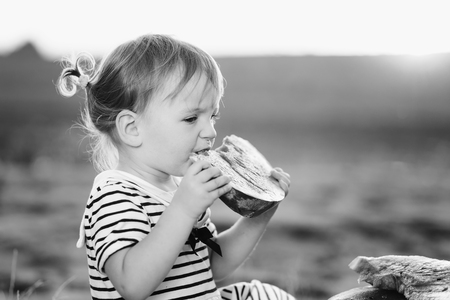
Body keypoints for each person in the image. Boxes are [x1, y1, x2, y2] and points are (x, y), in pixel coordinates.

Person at [57, 34, 293, 300]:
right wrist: (183, 209)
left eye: (212, 115)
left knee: (261, 294)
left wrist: (260, 212)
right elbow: (132, 285)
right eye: (191, 118)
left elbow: (211, 266)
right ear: (132, 129)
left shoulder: (180, 189)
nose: (211, 131)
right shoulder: (114, 196)